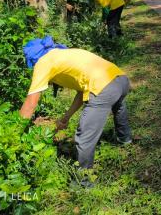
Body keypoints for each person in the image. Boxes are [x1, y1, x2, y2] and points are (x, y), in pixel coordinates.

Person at [19, 36, 132, 180]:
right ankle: (125, 140)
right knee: (118, 106)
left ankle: (83, 182)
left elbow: (31, 103)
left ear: (33, 58)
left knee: (84, 136)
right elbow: (82, 92)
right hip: (121, 79)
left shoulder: (43, 62)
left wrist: (16, 132)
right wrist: (66, 117)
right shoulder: (63, 55)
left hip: (104, 87)